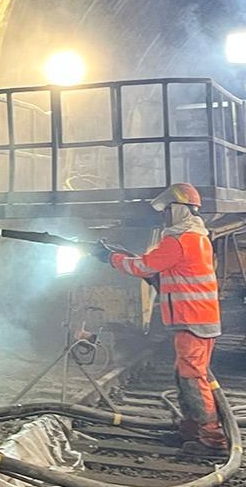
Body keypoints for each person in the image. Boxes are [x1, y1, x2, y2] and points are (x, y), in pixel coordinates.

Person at [94, 183, 226, 455]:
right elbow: (164, 271)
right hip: (198, 318)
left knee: (192, 377)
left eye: (166, 211)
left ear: (177, 210)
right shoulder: (198, 236)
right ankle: (190, 430)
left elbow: (143, 266)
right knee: (185, 375)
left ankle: (213, 440)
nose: (164, 217)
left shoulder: (178, 240)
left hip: (191, 319)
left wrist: (111, 258)